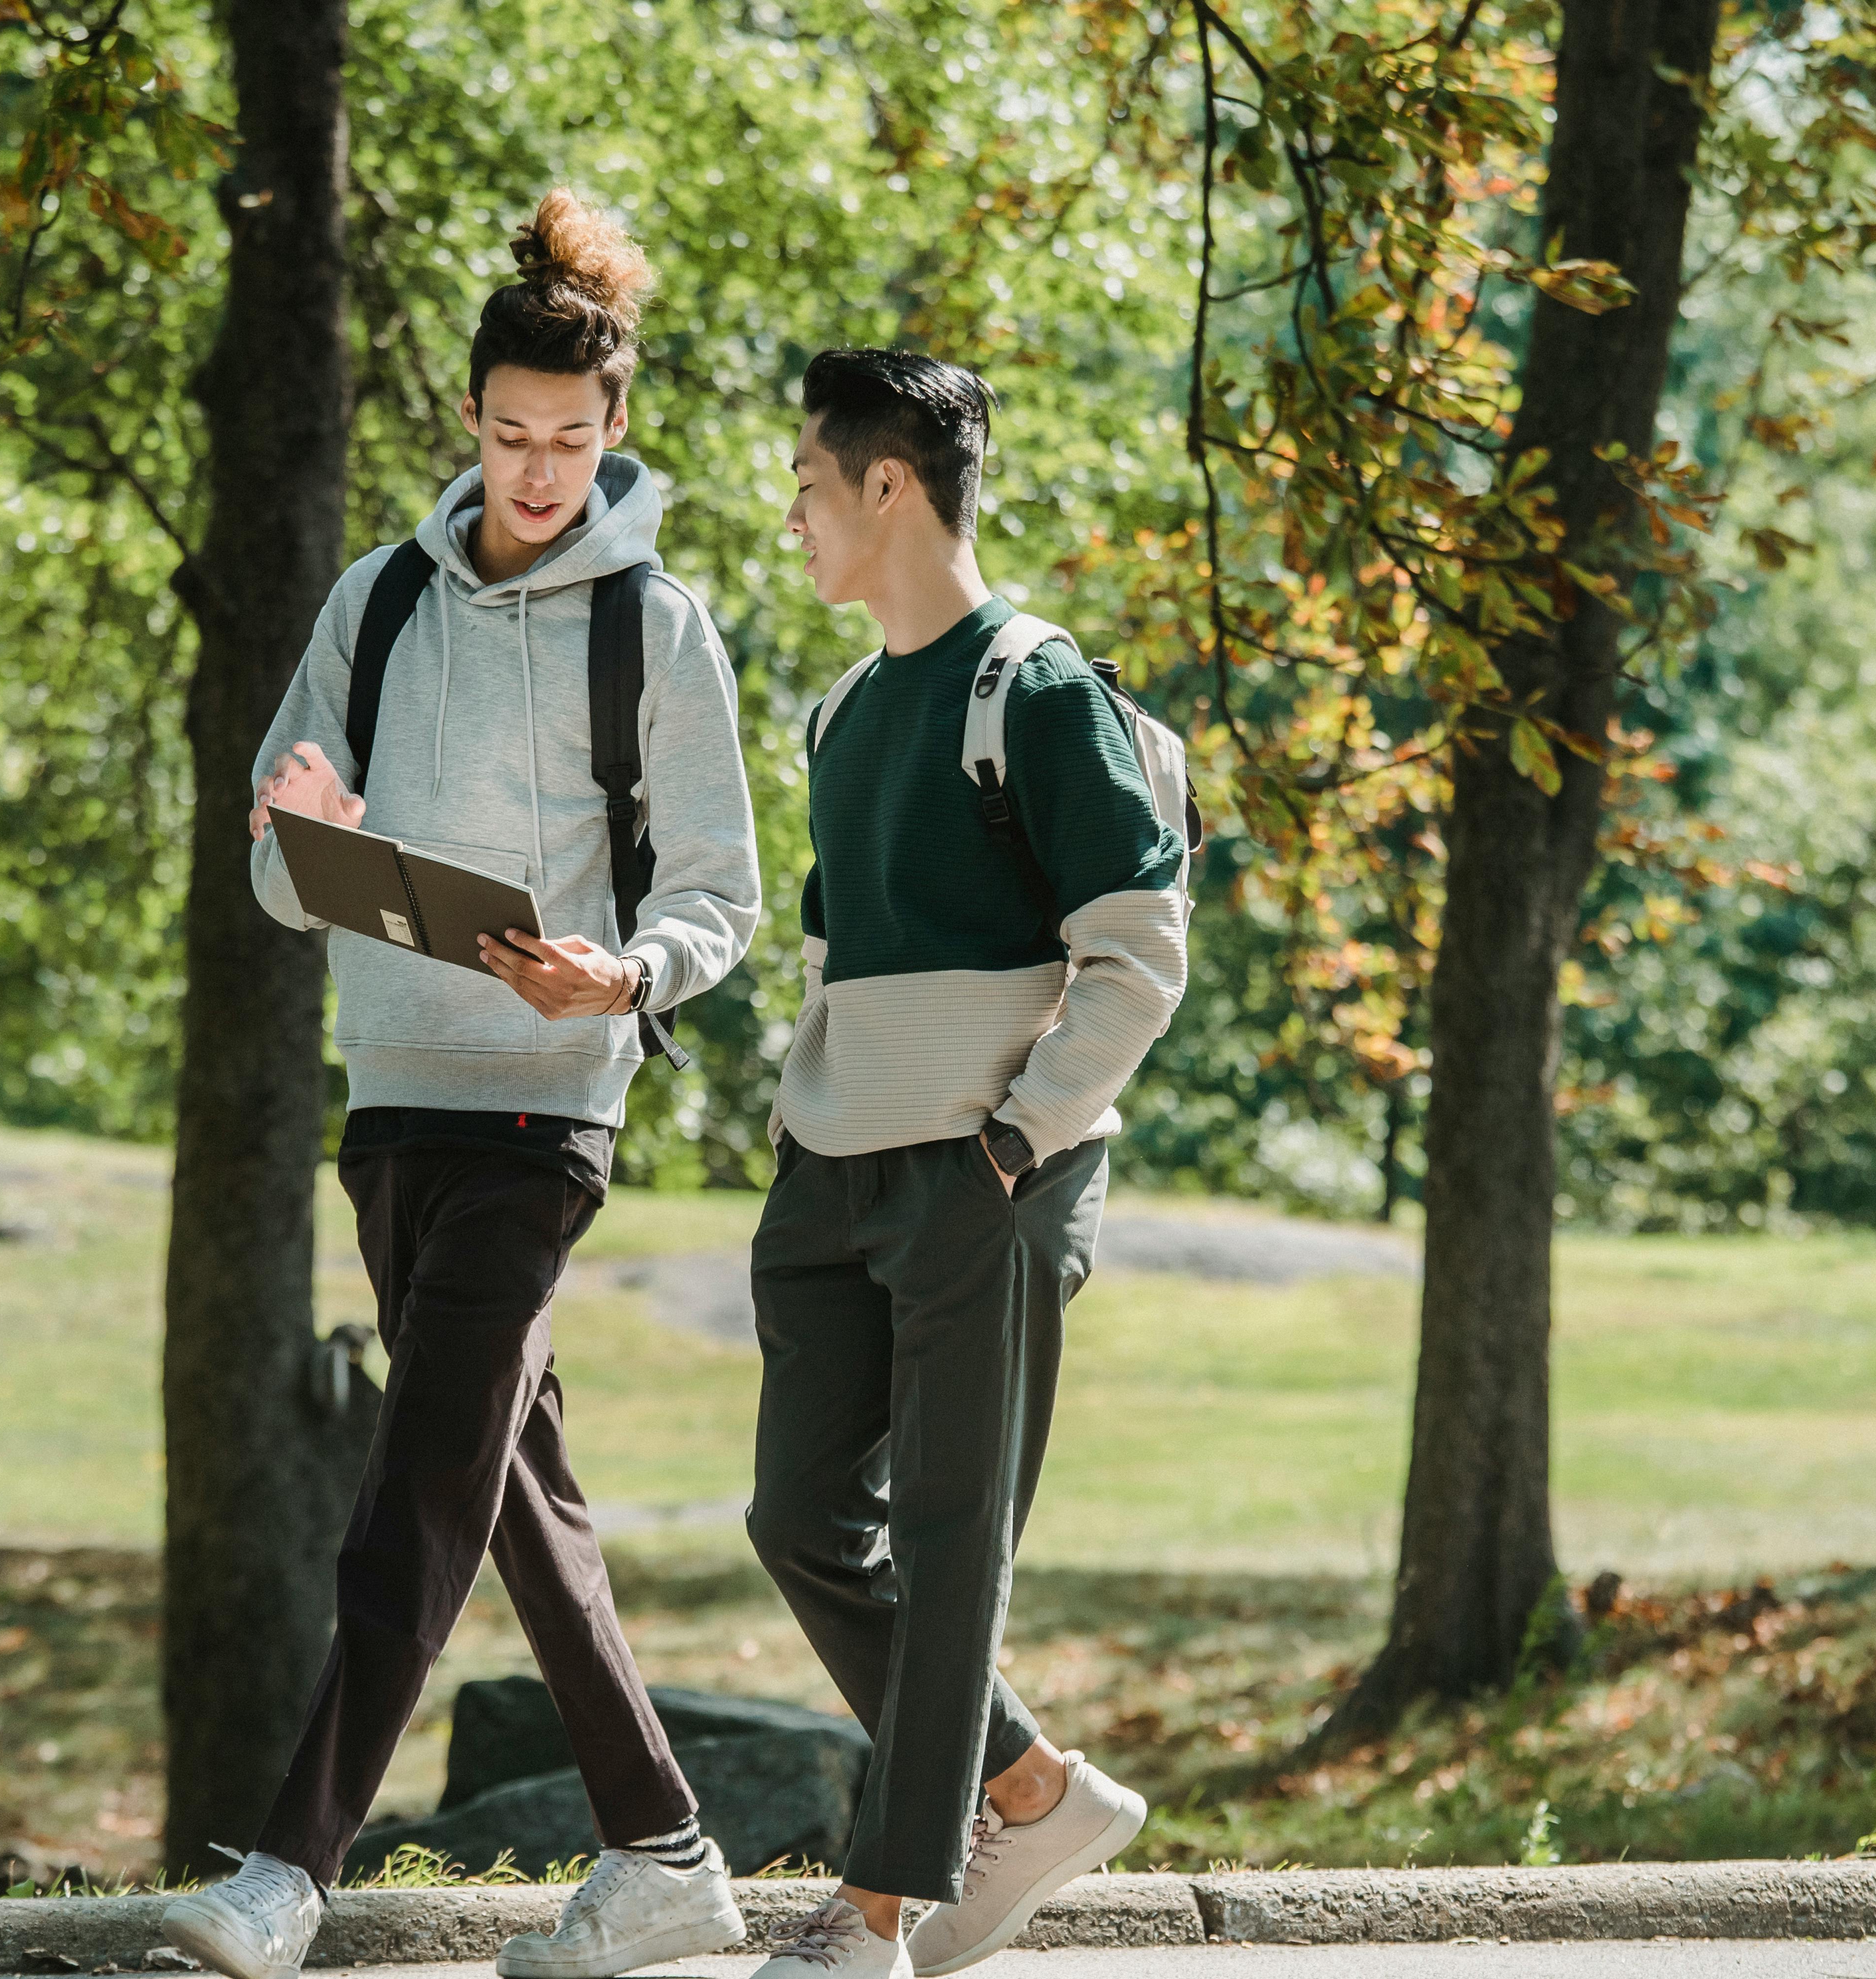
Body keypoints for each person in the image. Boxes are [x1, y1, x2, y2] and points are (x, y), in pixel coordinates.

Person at [159, 190, 763, 1979]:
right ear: (473, 421)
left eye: (572, 442)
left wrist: (628, 971)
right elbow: (274, 863)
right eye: (512, 436)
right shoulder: (380, 599)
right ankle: (665, 1850)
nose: (540, 471)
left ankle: (289, 1867)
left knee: (420, 1479)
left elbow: (716, 892)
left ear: (616, 431)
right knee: (509, 1489)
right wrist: (308, 834)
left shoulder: (656, 630)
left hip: (547, 1109)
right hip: (396, 1101)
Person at [741, 350, 1189, 1979]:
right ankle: (1036, 1788)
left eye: (809, 479)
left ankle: (880, 1904)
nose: (792, 512)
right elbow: (829, 954)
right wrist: (798, 1126)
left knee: (946, 1540)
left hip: (985, 1174)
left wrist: (1019, 1136)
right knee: (798, 1516)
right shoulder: (845, 711)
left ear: (888, 485)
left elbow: (1140, 952)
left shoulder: (1035, 687)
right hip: (834, 1168)